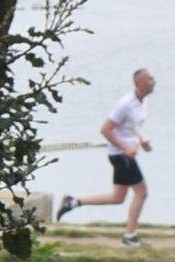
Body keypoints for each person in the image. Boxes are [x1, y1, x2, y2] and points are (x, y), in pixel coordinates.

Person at [56, 68, 158, 237]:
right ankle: (130, 236)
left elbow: (130, 129)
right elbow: (105, 129)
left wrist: (142, 141)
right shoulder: (125, 104)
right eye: (150, 79)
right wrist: (125, 147)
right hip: (121, 156)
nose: (154, 82)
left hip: (123, 155)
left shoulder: (142, 102)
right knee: (142, 192)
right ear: (139, 83)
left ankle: (72, 202)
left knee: (118, 197)